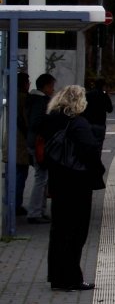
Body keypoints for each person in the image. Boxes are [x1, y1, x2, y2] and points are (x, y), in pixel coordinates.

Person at [42, 85, 105, 292]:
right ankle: (72, 278)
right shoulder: (79, 123)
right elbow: (90, 151)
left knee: (58, 230)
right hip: (77, 185)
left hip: (57, 182)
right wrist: (97, 172)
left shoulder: (52, 119)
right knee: (76, 232)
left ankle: (57, 277)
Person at [26, 72, 56, 224]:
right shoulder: (40, 102)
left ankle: (40, 210)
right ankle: (35, 212)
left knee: (43, 177)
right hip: (40, 144)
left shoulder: (33, 99)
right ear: (45, 87)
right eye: (51, 87)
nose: (53, 90)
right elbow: (36, 122)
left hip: (36, 142)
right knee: (41, 178)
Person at [1, 72, 30, 215]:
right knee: (20, 174)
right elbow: (24, 120)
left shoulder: (11, 98)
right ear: (24, 83)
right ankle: (15, 204)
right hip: (21, 141)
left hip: (10, 138)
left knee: (10, 173)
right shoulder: (24, 99)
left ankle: (9, 201)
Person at [84, 77, 113, 148]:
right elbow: (110, 109)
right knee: (98, 146)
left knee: (88, 145)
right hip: (100, 124)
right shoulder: (104, 95)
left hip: (88, 123)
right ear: (103, 86)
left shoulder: (88, 94)